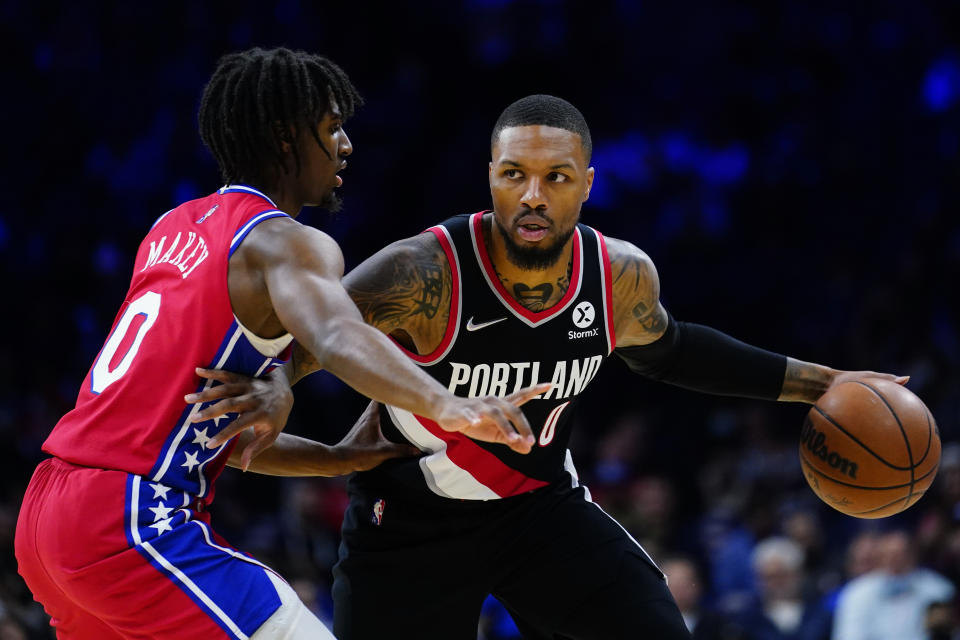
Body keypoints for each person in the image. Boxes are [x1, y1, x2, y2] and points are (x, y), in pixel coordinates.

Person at [205, 94, 907, 639]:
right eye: (514, 175)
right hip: (408, 523)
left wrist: (828, 382)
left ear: (587, 184)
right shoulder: (424, 272)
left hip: (539, 510)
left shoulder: (618, 277)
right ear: (491, 178)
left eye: (555, 177)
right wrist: (273, 383)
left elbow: (674, 350)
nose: (533, 196)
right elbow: (319, 333)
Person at [14, 48, 543, 640]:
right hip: (131, 519)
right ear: (286, 137)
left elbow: (210, 429)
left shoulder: (172, 227)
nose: (346, 145)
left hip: (49, 515)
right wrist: (450, 405)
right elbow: (340, 335)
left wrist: (339, 458)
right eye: (332, 127)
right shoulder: (286, 243)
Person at [831, 530, 955, 640]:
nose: (895, 561)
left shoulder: (938, 590)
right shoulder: (857, 592)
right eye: (889, 555)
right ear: (880, 558)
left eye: (901, 555)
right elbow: (849, 635)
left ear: (913, 555)